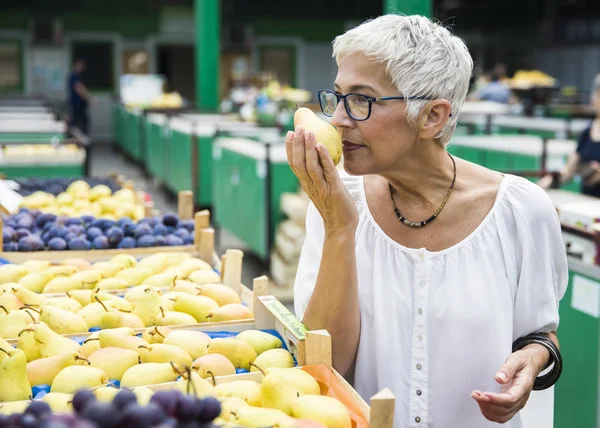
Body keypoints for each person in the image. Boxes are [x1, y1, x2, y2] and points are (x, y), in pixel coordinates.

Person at [288, 15, 566, 428]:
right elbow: (324, 364)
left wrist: (534, 359)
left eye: (362, 100)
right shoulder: (338, 201)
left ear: (432, 116)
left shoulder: (520, 211)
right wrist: (339, 228)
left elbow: (539, 334)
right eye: (338, 96)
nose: (339, 120)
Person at [539, 73, 600, 196]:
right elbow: (568, 170)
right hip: (589, 207)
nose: (595, 99)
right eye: (598, 94)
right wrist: (550, 180)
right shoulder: (586, 133)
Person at [67, 58, 91, 135]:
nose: (80, 67)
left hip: (81, 106)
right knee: (76, 125)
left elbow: (82, 87)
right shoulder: (74, 76)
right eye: (79, 65)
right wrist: (89, 97)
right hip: (76, 106)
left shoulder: (80, 76)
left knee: (84, 123)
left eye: (82, 66)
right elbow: (79, 88)